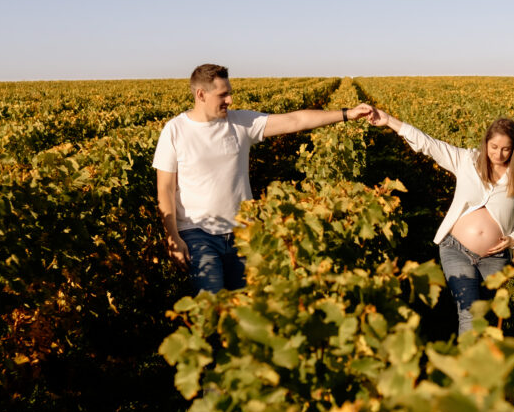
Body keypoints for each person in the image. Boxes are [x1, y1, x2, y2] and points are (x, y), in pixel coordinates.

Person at [154, 64, 373, 294]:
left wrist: (347, 114)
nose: (230, 100)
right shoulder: (174, 131)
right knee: (211, 305)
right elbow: (165, 190)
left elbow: (295, 121)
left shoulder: (241, 123)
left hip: (243, 232)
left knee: (249, 304)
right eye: (223, 94)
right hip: (198, 234)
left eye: (229, 93)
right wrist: (173, 238)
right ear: (201, 95)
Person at [367, 107, 514, 334]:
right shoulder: (467, 161)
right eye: (494, 147)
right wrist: (389, 121)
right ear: (485, 143)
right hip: (457, 250)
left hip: (495, 258)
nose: (498, 154)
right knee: (469, 314)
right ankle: (464, 368)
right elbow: (429, 144)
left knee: (485, 317)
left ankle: (481, 363)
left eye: (506, 149)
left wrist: (513, 239)